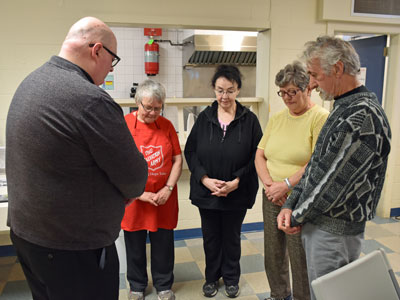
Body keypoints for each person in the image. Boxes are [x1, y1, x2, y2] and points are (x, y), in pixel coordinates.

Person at [5, 17, 148, 300]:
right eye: (112, 59)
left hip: (28, 238)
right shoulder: (90, 100)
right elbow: (134, 179)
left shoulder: (31, 82)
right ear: (97, 50)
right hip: (73, 249)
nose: (110, 67)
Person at [277, 36, 392, 300]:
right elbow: (316, 166)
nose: (312, 83)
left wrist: (295, 215)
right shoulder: (343, 108)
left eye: (315, 75)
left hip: (334, 234)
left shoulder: (363, 116)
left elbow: (332, 185)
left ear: (338, 69)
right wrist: (290, 203)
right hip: (319, 226)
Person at [184, 65, 262, 299]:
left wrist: (237, 181)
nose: (224, 96)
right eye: (220, 90)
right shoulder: (204, 118)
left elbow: (256, 155)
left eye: (230, 90)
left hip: (236, 192)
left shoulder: (249, 120)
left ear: (238, 90)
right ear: (214, 90)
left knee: (231, 237)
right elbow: (191, 152)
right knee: (211, 238)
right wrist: (204, 179)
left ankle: (231, 278)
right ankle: (211, 278)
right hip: (207, 192)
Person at [255, 61, 329, 300]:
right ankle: (278, 294)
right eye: (282, 92)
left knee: (299, 256)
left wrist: (286, 185)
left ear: (307, 88)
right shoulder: (277, 118)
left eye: (292, 92)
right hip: (272, 195)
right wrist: (270, 186)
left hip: (300, 197)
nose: (286, 97)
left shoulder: (319, 118)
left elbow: (316, 162)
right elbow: (260, 154)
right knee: (273, 252)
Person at [122, 80, 183, 300]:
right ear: (137, 102)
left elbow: (177, 159)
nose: (152, 112)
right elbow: (116, 163)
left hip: (163, 198)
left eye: (157, 108)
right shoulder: (124, 124)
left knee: (163, 244)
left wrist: (168, 188)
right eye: (148, 107)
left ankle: (164, 285)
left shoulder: (166, 126)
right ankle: (137, 285)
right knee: (135, 245)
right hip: (134, 199)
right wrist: (138, 193)